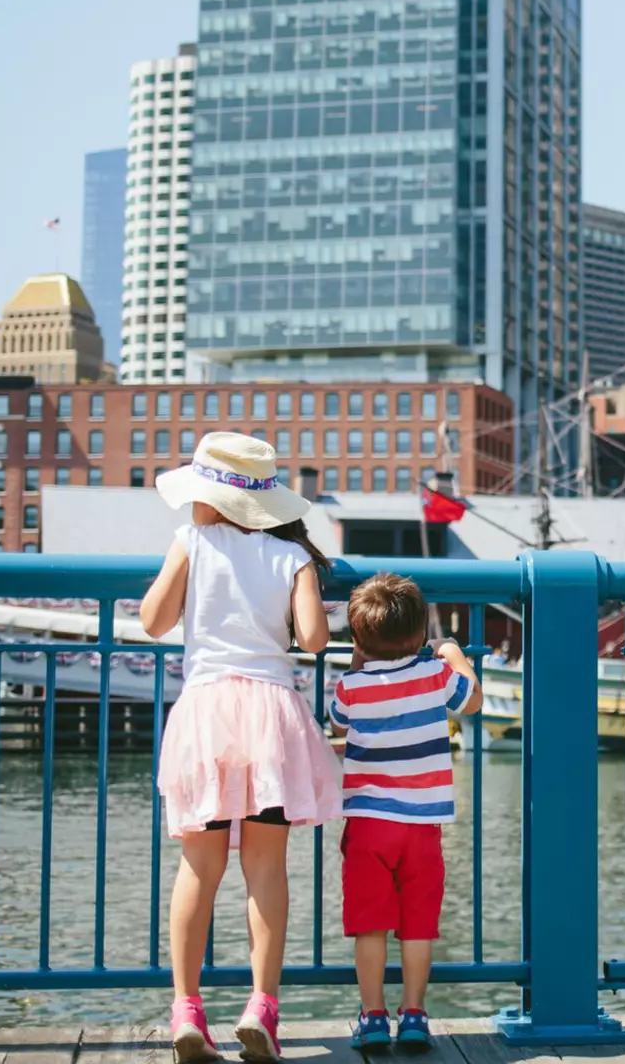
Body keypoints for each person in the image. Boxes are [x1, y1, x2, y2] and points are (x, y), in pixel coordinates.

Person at [141, 433, 342, 1064]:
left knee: (198, 867)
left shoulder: (193, 543)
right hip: (270, 714)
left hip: (206, 712)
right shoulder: (292, 556)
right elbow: (313, 638)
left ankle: (186, 1008)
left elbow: (153, 620)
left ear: (209, 498)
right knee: (266, 867)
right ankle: (262, 1005)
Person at [329, 572, 482, 1053]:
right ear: (419, 637)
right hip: (421, 829)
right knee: (418, 926)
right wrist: (454, 653)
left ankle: (373, 1016)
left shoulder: (350, 686)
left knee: (369, 925)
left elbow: (338, 719)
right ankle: (414, 1014)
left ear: (357, 638)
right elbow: (472, 701)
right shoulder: (434, 675)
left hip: (369, 827)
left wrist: (360, 660)